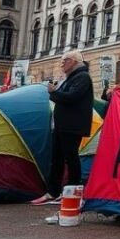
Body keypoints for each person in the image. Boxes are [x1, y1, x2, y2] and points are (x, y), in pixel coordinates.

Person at [31, 50, 94, 205]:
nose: (61, 63)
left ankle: (74, 192)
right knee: (57, 158)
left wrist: (54, 92)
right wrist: (56, 92)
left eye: (65, 60)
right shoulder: (72, 78)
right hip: (62, 125)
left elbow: (71, 97)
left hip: (72, 125)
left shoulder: (82, 77)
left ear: (74, 61)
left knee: (71, 158)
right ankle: (53, 192)